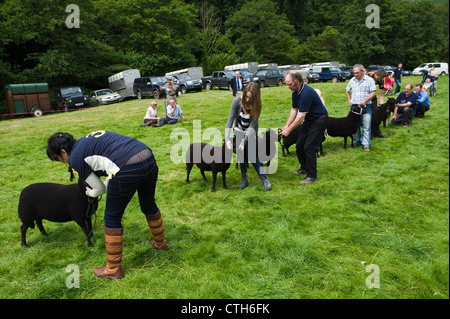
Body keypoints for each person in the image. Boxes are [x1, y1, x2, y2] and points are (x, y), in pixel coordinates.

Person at [46, 131, 168, 280]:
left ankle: (113, 269)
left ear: (63, 151)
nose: (62, 162)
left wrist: (91, 193)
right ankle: (160, 243)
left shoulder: (76, 159)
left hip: (128, 166)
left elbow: (100, 189)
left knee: (112, 217)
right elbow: (112, 164)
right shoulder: (87, 141)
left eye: (58, 158)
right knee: (148, 203)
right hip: (147, 155)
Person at [280, 71, 328, 185]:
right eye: (286, 84)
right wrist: (286, 126)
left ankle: (312, 176)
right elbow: (294, 110)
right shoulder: (295, 92)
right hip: (309, 120)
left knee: (309, 147)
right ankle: (304, 168)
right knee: (299, 145)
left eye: (290, 84)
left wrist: (289, 130)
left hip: (319, 119)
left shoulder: (306, 93)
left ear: (298, 81)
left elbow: (301, 116)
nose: (288, 87)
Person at [225, 82, 272, 191]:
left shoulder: (257, 106)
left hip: (250, 132)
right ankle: (244, 180)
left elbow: (252, 126)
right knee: (241, 155)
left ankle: (264, 179)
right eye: (246, 96)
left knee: (250, 154)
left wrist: (243, 142)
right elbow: (230, 121)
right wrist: (227, 139)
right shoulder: (237, 102)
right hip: (238, 130)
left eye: (250, 98)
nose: (247, 100)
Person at [345, 64, 376, 152]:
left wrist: (365, 101)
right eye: (354, 73)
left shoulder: (369, 80)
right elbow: (347, 90)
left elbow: (373, 93)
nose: (355, 75)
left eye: (357, 73)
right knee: (355, 125)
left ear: (362, 71)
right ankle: (357, 141)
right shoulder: (352, 80)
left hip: (366, 106)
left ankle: (366, 145)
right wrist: (349, 100)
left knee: (366, 126)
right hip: (354, 106)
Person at [367, 68, 388, 138]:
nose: (380, 80)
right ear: (375, 74)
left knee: (376, 115)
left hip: (373, 97)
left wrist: (383, 105)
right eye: (379, 78)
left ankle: (377, 132)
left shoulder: (381, 81)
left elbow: (380, 95)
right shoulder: (368, 75)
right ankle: (368, 133)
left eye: (381, 79)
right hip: (365, 96)